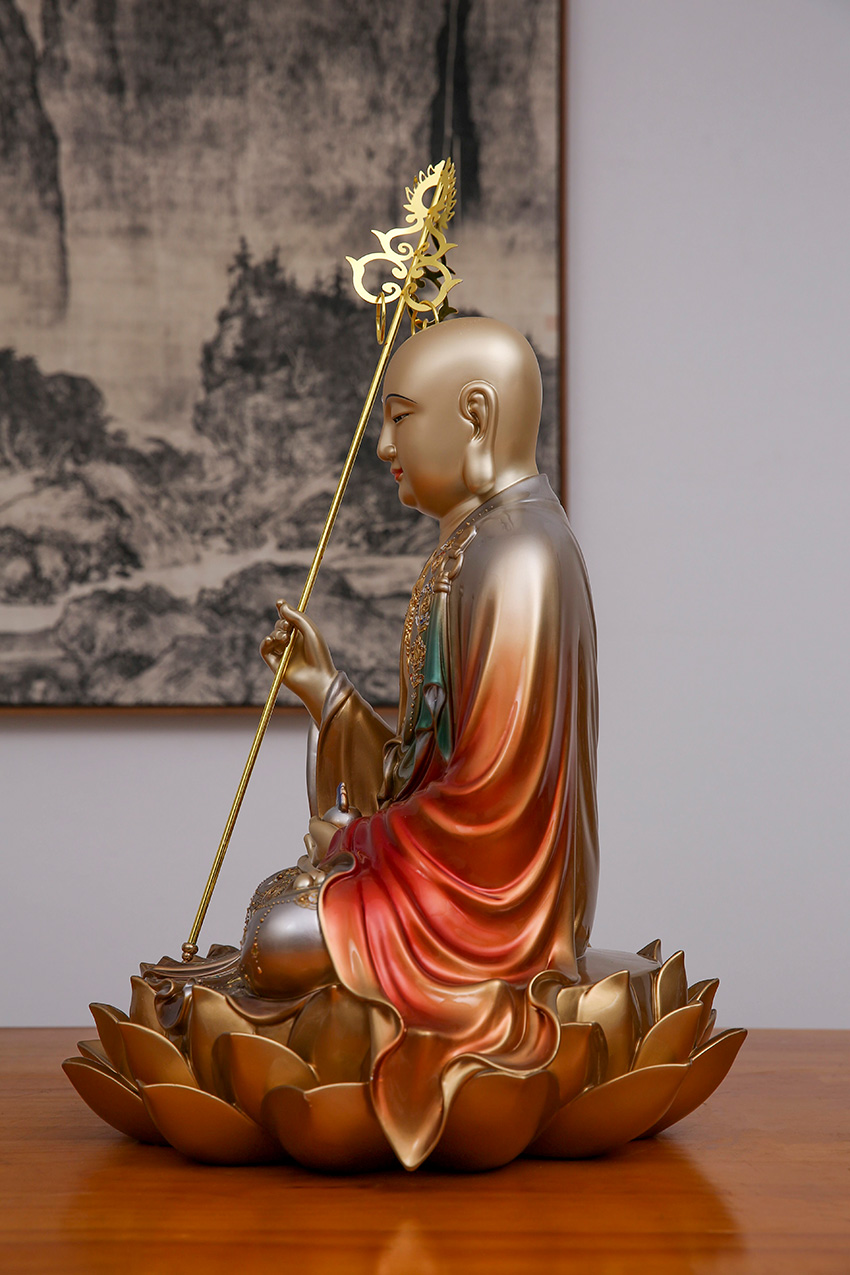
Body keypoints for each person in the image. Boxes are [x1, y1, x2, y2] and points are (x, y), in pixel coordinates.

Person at [245, 315, 601, 1166]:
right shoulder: (474, 546)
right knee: (278, 922)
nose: (383, 447)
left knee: (280, 934)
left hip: (494, 911)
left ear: (475, 415)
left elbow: (494, 807)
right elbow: (423, 770)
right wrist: (328, 692)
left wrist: (357, 841)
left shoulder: (520, 557)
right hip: (445, 876)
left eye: (400, 417)